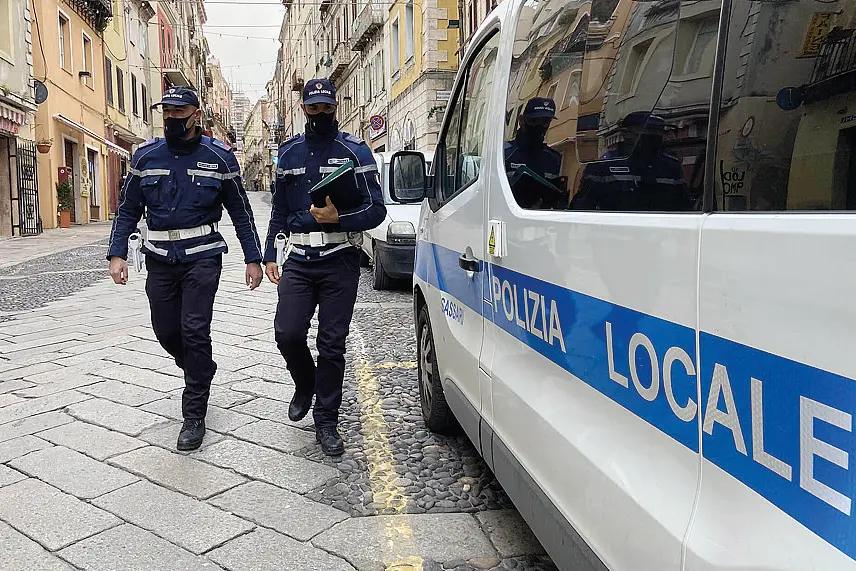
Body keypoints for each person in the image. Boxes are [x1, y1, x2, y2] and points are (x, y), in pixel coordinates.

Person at [106, 86, 264, 451]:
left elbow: (240, 211)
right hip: (159, 256)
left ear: (196, 115)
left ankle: (194, 414)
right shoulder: (145, 157)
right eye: (167, 113)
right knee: (165, 331)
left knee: (194, 328)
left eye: (179, 112)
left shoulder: (220, 157)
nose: (172, 119)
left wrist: (253, 258)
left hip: (202, 255)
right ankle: (200, 369)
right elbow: (128, 208)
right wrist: (117, 253)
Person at [263, 78, 386, 456]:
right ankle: (305, 383)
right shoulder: (289, 154)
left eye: (326, 107)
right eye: (313, 108)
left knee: (332, 344)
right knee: (287, 332)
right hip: (299, 259)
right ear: (303, 109)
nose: (320, 114)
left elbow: (376, 209)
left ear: (336, 106)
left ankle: (327, 420)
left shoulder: (355, 151)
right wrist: (270, 251)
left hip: (339, 261)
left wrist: (340, 219)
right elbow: (280, 209)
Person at [570, 112, 691, 211]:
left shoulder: (670, 167)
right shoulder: (603, 166)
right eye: (645, 132)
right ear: (626, 134)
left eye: (658, 133)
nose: (652, 137)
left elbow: (684, 208)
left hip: (657, 236)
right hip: (611, 235)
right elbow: (583, 208)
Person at [504, 97, 565, 209]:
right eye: (533, 121)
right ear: (521, 120)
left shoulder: (554, 159)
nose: (539, 127)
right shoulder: (504, 154)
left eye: (545, 122)